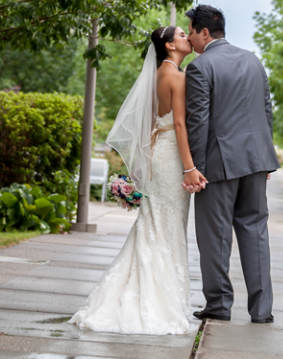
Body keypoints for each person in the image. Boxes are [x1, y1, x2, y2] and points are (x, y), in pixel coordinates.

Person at [70, 25, 207, 335]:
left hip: (160, 154)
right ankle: (160, 297)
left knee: (154, 223)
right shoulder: (176, 76)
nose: (188, 38)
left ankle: (144, 290)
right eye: (183, 35)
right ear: (171, 45)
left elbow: (150, 124)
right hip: (172, 159)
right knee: (166, 226)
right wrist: (189, 167)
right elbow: (181, 125)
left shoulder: (158, 74)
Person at [184, 5, 281, 324]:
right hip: (256, 162)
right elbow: (267, 111)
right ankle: (262, 310)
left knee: (215, 236)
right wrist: (266, 158)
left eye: (192, 32)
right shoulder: (254, 60)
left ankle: (219, 304)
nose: (191, 39)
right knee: (255, 232)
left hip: (219, 164)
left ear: (205, 32)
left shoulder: (200, 67)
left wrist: (194, 168)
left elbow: (198, 121)